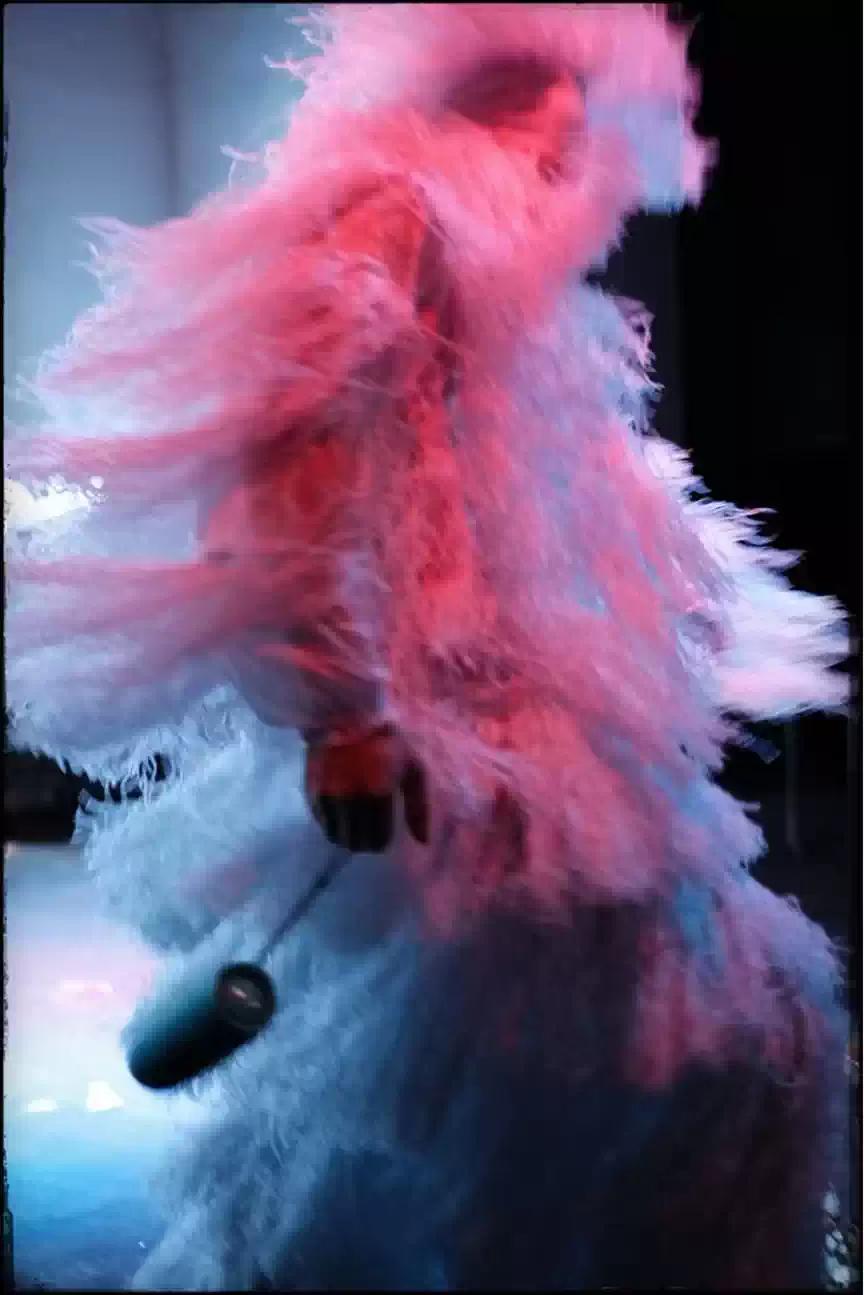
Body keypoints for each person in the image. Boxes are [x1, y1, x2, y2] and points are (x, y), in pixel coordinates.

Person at [6, 5, 849, 1289]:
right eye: (552, 113)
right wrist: (341, 708)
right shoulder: (394, 212)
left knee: (644, 1055)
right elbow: (297, 454)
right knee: (565, 1064)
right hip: (455, 741)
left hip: (527, 723)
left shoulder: (487, 240)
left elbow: (508, 472)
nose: (573, 149)